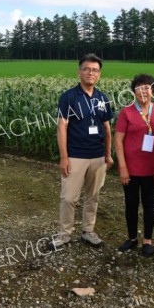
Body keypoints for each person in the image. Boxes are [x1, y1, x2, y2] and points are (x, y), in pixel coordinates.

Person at [50, 53, 114, 250]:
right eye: (86, 69)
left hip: (97, 156)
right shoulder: (69, 97)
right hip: (75, 155)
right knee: (69, 197)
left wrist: (108, 154)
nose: (90, 73)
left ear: (99, 74)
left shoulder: (102, 98)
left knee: (92, 196)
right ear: (79, 72)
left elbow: (107, 128)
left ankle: (88, 231)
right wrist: (64, 157)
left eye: (95, 70)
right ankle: (64, 233)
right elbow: (62, 127)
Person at [114, 74, 154, 257]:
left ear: (153, 91)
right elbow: (118, 140)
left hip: (152, 168)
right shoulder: (126, 112)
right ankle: (132, 237)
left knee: (150, 204)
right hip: (131, 168)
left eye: (147, 87)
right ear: (133, 91)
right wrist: (123, 167)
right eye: (139, 87)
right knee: (131, 203)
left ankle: (148, 240)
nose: (143, 91)